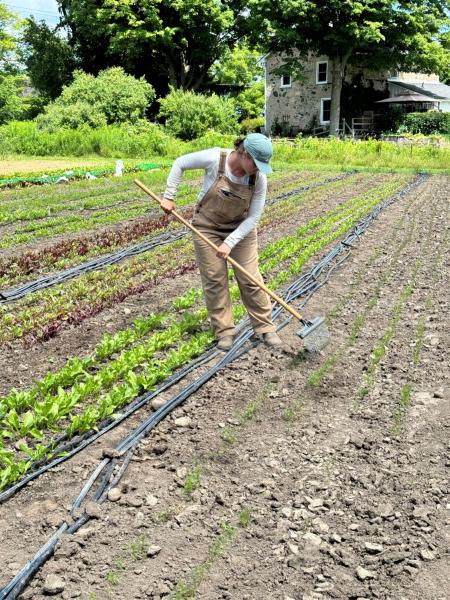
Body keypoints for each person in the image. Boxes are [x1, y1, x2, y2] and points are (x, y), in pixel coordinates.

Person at [161, 133, 282, 351]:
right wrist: (169, 196)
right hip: (207, 227)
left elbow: (253, 218)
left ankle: (265, 328)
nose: (259, 169)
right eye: (257, 163)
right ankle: (224, 331)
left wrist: (230, 242)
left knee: (250, 277)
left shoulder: (258, 179)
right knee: (215, 278)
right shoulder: (215, 159)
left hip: (240, 229)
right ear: (245, 154)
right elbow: (179, 163)